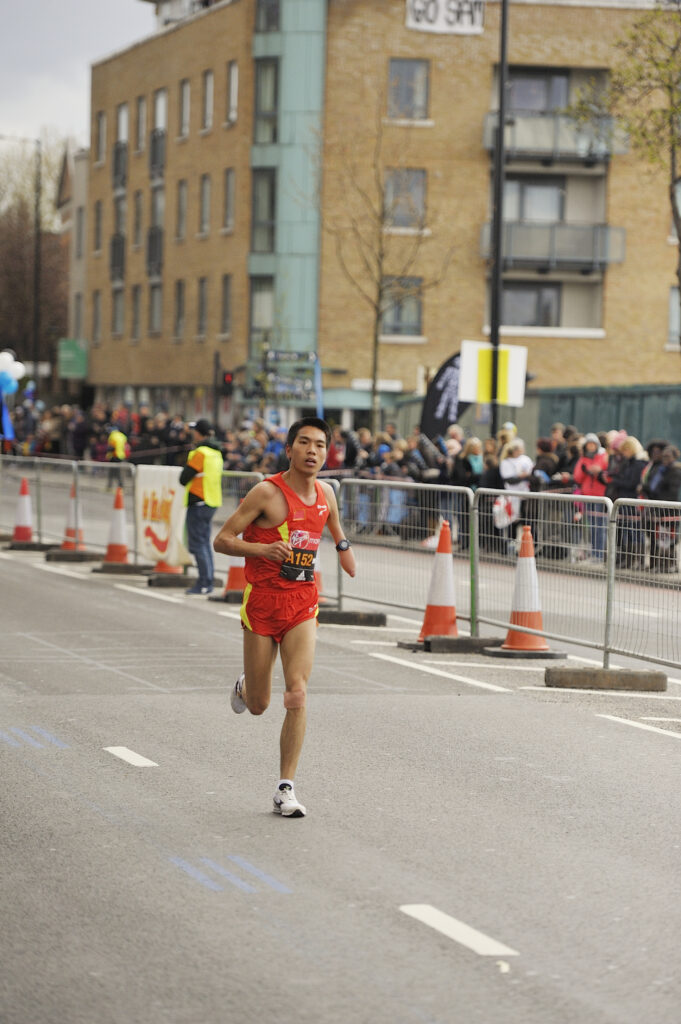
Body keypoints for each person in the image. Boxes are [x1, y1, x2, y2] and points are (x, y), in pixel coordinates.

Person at [213, 417, 356, 818]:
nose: (313, 451)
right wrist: (262, 552)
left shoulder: (326, 492)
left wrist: (344, 549)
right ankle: (247, 687)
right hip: (261, 603)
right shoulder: (266, 493)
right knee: (260, 705)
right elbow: (222, 540)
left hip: (302, 604)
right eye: (305, 443)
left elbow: (332, 524)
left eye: (320, 445)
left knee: (297, 691)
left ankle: (285, 787)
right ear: (290, 448)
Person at [179, 418, 223, 595]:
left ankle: (204, 582)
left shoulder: (200, 453)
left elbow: (183, 478)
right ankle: (208, 580)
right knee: (204, 543)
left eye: (194, 430)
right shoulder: (216, 452)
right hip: (211, 501)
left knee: (198, 544)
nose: (192, 433)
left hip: (198, 501)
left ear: (199, 433)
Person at [573, 433, 609, 562]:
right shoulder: (583, 458)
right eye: (588, 444)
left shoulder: (604, 457)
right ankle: (594, 553)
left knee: (600, 526)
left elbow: (608, 476)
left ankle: (599, 554)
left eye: (593, 444)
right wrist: (584, 470)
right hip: (587, 496)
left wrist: (599, 472)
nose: (591, 447)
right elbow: (577, 477)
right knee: (591, 526)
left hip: (600, 497)